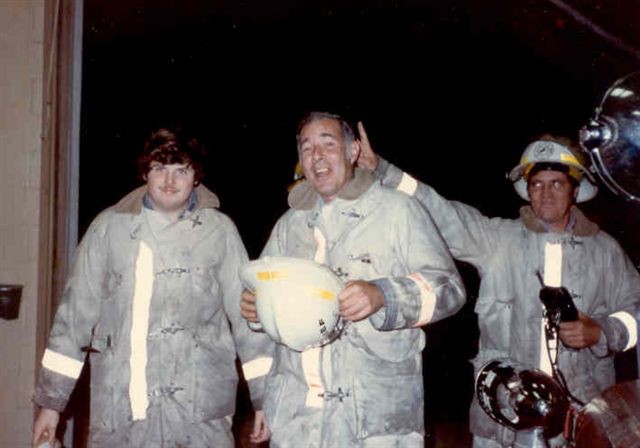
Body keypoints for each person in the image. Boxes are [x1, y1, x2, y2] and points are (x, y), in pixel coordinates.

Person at [356, 123, 640, 448]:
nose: (546, 193)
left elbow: (637, 313)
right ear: (527, 190)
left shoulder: (606, 252)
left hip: (579, 422)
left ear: (574, 190)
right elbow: (441, 214)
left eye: (557, 184)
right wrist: (383, 171)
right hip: (502, 424)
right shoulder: (497, 240)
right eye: (537, 184)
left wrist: (602, 331)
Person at [32, 128, 273, 447]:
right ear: (144, 172)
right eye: (159, 168)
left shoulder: (221, 232)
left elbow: (248, 323)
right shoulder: (108, 229)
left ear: (196, 177)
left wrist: (265, 400)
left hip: (200, 418)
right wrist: (51, 406)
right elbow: (73, 321)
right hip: (123, 414)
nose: (169, 181)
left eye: (181, 170)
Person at [240, 111, 466, 447]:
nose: (317, 156)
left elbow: (449, 289)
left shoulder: (397, 210)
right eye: (307, 148)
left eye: (328, 144)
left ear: (353, 150)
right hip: (298, 421)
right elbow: (260, 308)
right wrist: (257, 311)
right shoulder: (289, 225)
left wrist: (384, 295)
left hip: (374, 420)